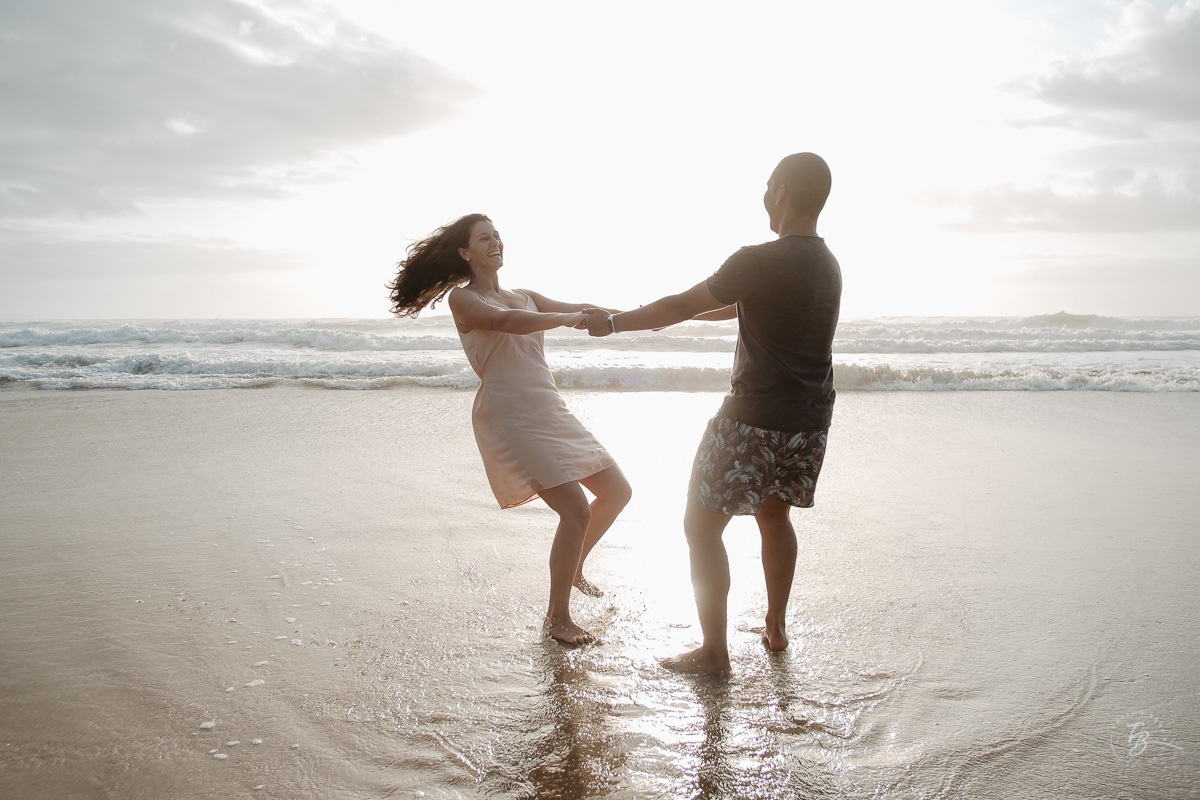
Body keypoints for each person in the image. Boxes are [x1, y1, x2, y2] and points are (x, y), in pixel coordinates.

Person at [582, 153, 841, 675]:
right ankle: (775, 627)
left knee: (700, 527)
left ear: (783, 191)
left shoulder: (758, 258)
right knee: (775, 516)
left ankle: (715, 653)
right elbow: (736, 305)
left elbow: (682, 303)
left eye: (768, 186)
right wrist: (644, 318)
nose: (764, 195)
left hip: (751, 418)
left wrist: (613, 323)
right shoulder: (827, 263)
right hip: (810, 420)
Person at [388, 213, 632, 646]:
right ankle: (557, 618)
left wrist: (644, 317)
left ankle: (574, 568)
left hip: (549, 405)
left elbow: (587, 311)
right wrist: (569, 318)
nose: (495, 241)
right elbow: (504, 323)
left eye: (497, 235)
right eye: (484, 238)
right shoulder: (462, 300)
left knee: (617, 492)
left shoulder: (526, 295)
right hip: (512, 413)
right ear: (466, 252)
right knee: (575, 509)